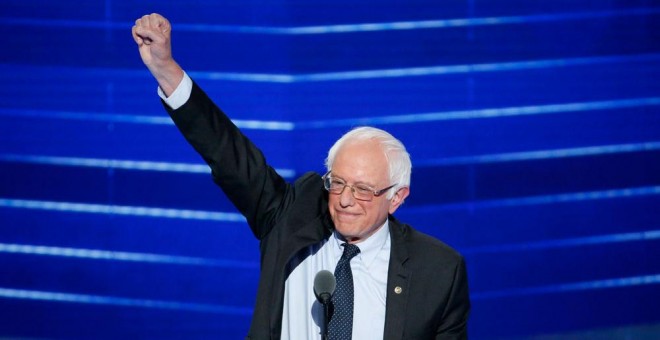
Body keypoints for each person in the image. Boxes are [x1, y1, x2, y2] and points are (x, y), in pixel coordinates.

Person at [132, 13, 470, 339]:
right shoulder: (292, 217)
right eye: (337, 182)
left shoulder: (437, 271)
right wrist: (165, 69)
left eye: (364, 189)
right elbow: (228, 154)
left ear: (396, 197)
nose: (346, 200)